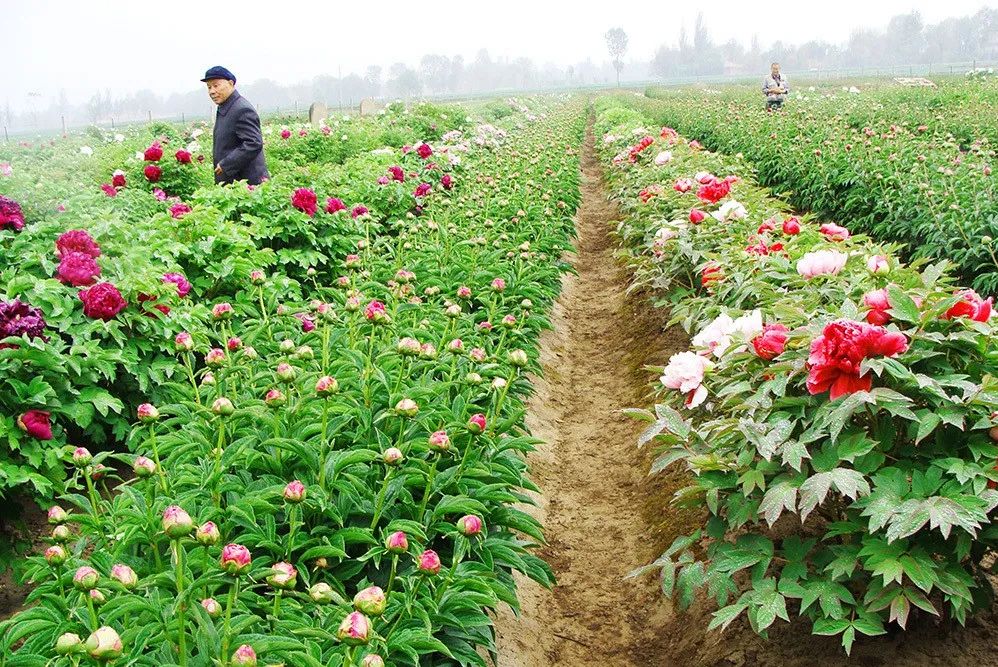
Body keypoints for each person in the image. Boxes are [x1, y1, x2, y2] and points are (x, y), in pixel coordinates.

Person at [201, 66, 269, 185]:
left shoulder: (241, 109)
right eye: (209, 87)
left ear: (231, 83)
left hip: (247, 184)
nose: (212, 91)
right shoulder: (226, 107)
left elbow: (253, 143)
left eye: (216, 85)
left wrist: (226, 164)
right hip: (234, 183)